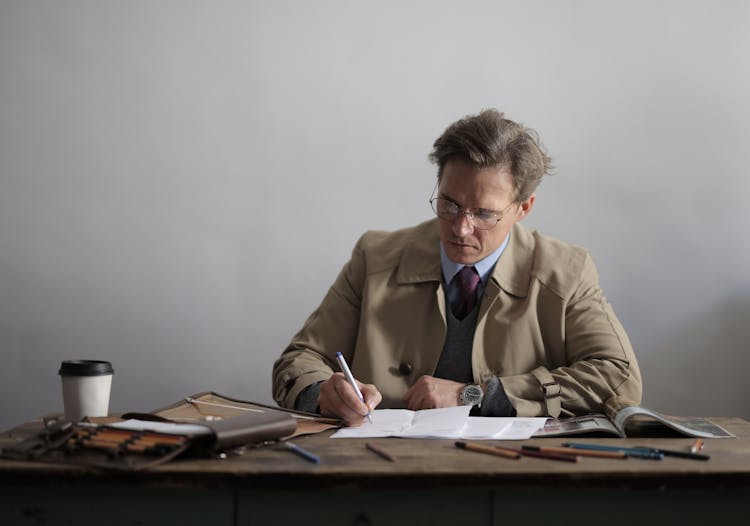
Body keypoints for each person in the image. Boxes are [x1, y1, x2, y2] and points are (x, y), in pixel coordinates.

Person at [272, 109, 642, 426]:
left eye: (483, 213)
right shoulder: (375, 257)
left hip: (514, 473)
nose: (460, 228)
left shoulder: (566, 271)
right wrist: (323, 392)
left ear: (523, 208)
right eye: (448, 204)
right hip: (381, 466)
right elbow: (298, 360)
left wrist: (479, 395)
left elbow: (617, 375)